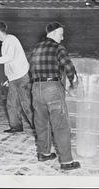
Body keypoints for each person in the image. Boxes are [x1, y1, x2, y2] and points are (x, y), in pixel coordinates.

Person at [29, 21, 81, 170]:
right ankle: (66, 162)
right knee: (61, 125)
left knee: (41, 123)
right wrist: (73, 84)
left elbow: (30, 69)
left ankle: (43, 153)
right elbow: (69, 67)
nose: (62, 38)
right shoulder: (58, 47)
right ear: (52, 33)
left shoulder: (36, 48)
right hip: (52, 88)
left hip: (36, 88)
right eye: (60, 34)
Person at [0, 21, 34, 133]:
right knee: (11, 103)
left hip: (22, 76)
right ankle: (16, 126)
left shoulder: (11, 40)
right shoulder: (5, 42)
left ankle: (39, 127)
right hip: (14, 77)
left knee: (26, 104)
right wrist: (9, 78)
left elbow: (9, 58)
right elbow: (10, 63)